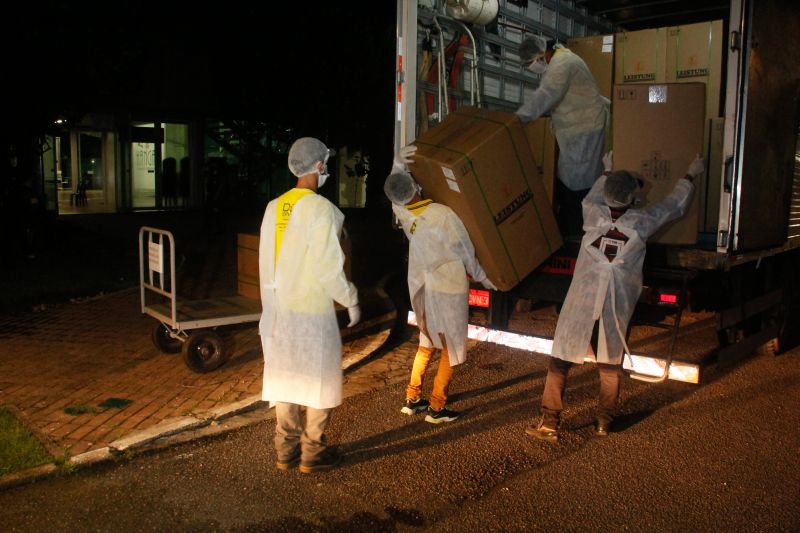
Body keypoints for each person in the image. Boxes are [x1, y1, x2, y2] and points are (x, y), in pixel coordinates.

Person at [528, 152, 705, 442]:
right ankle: (603, 422)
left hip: (581, 306)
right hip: (613, 308)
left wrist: (606, 171)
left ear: (608, 195)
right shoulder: (642, 222)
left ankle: (549, 422)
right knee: (610, 366)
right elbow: (674, 205)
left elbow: (593, 196)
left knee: (560, 361)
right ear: (633, 198)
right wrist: (690, 174)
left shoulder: (592, 215)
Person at [258, 137, 361, 473]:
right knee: (319, 380)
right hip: (312, 312)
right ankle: (312, 452)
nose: (326, 169)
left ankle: (284, 451)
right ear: (319, 167)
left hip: (278, 312)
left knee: (285, 378)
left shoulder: (273, 207)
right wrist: (351, 299)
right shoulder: (322, 210)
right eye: (326, 163)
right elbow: (328, 267)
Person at [385, 145, 497, 424]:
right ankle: (437, 407)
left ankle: (412, 399)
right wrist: (486, 278)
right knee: (449, 347)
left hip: (424, 289)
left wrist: (397, 165)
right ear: (416, 186)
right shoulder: (442, 214)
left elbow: (396, 193)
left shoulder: (404, 213)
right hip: (448, 288)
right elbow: (465, 251)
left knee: (426, 342)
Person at [515, 35, 610, 239]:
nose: (531, 66)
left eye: (530, 62)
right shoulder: (560, 61)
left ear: (542, 54)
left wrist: (518, 119)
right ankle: (574, 228)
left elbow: (546, 95)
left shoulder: (562, 63)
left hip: (584, 129)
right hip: (577, 128)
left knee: (578, 183)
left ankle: (578, 233)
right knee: (571, 179)